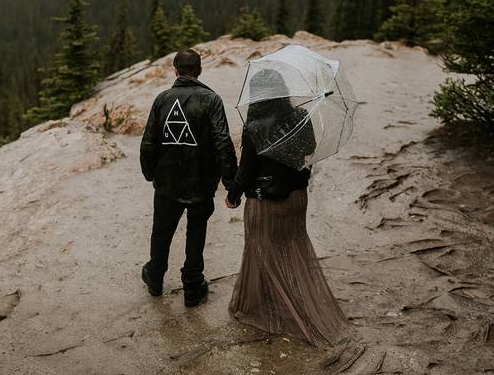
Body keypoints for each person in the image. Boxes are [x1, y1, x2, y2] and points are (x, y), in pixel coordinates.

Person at [225, 69, 351, 347]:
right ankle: (301, 302)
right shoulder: (300, 118)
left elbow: (245, 171)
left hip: (265, 202)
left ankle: (274, 310)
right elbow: (310, 148)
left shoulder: (254, 127)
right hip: (296, 198)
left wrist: (232, 195)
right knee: (292, 248)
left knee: (261, 251)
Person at [140, 49, 237, 307]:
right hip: (201, 183)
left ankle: (155, 278)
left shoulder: (162, 99)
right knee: (197, 231)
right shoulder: (211, 100)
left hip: (167, 183)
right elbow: (222, 142)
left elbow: (149, 142)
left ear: (175, 70)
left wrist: (151, 174)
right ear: (200, 70)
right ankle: (193, 286)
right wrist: (231, 183)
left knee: (161, 232)